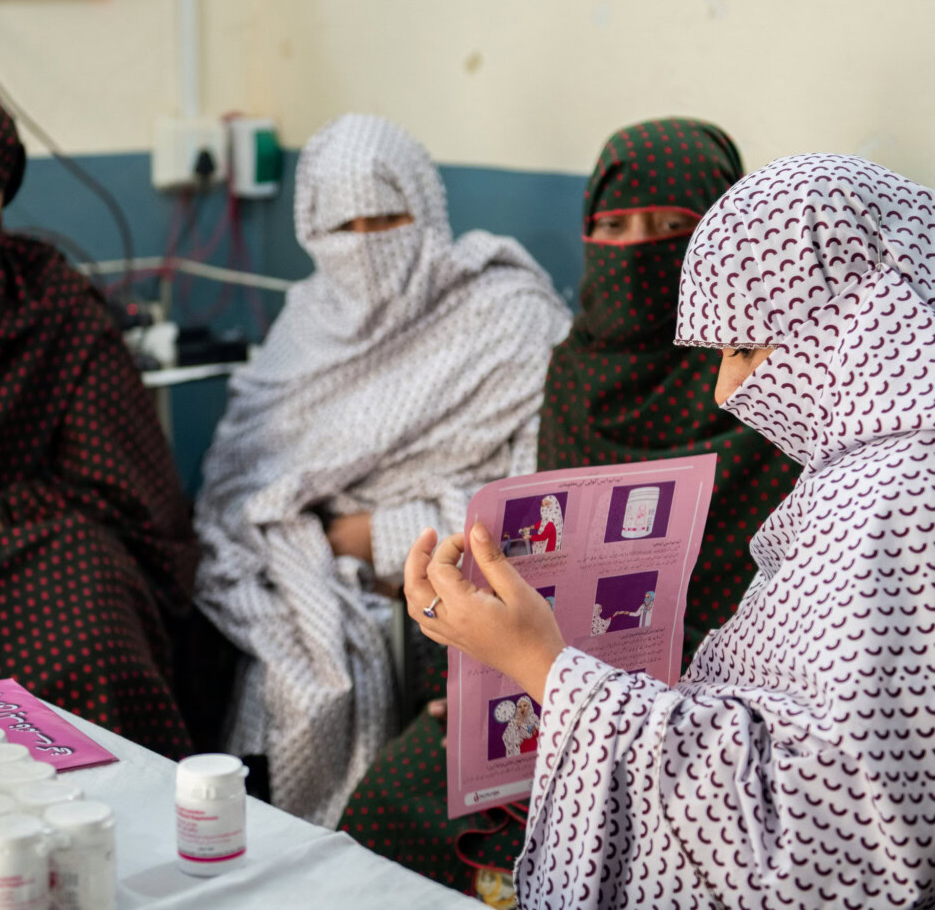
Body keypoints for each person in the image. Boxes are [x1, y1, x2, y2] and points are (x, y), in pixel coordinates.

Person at [406, 152, 935, 908]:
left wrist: (542, 667)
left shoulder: (895, 501)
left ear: (858, 320)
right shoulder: (871, 465)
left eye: (745, 348)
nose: (727, 388)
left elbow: (824, 842)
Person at [340, 118, 795, 898]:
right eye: (614, 227)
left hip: (709, 712)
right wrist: (483, 661)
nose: (639, 249)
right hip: (547, 677)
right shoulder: (577, 371)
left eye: (672, 229)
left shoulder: (766, 386)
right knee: (392, 800)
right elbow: (549, 566)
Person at [194, 113, 569, 827]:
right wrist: (314, 549)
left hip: (449, 559)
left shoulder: (507, 315)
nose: (366, 246)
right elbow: (238, 485)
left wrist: (371, 536)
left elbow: (534, 507)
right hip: (309, 567)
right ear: (313, 233)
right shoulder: (306, 320)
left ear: (425, 211)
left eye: (387, 219)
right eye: (345, 229)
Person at [0, 59, 199, 756]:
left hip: (2, 565)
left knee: (90, 583)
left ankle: (122, 833)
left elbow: (131, 496)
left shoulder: (44, 299)